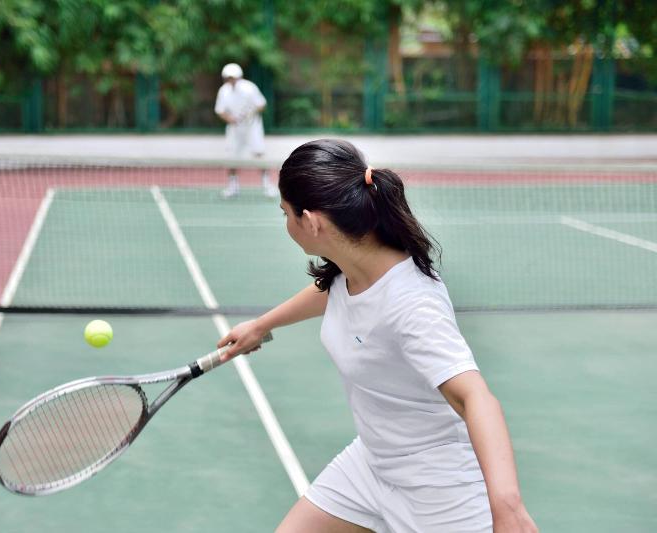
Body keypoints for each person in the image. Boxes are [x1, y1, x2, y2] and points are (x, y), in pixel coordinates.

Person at [217, 139, 538, 532]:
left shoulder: (412, 304)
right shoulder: (358, 264)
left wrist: (507, 507)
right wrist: (262, 325)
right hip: (372, 462)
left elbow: (476, 398)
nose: (284, 223)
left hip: (438, 488)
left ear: (312, 222)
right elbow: (333, 292)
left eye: (285, 213)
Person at [214, 62, 278, 198]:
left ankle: (268, 186)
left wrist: (251, 113)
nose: (231, 80)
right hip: (234, 129)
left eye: (233, 77)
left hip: (252, 128)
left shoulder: (249, 88)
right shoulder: (223, 91)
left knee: (259, 155)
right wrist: (230, 119)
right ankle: (233, 187)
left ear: (239, 77)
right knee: (231, 158)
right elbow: (220, 111)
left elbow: (262, 104)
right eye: (228, 77)